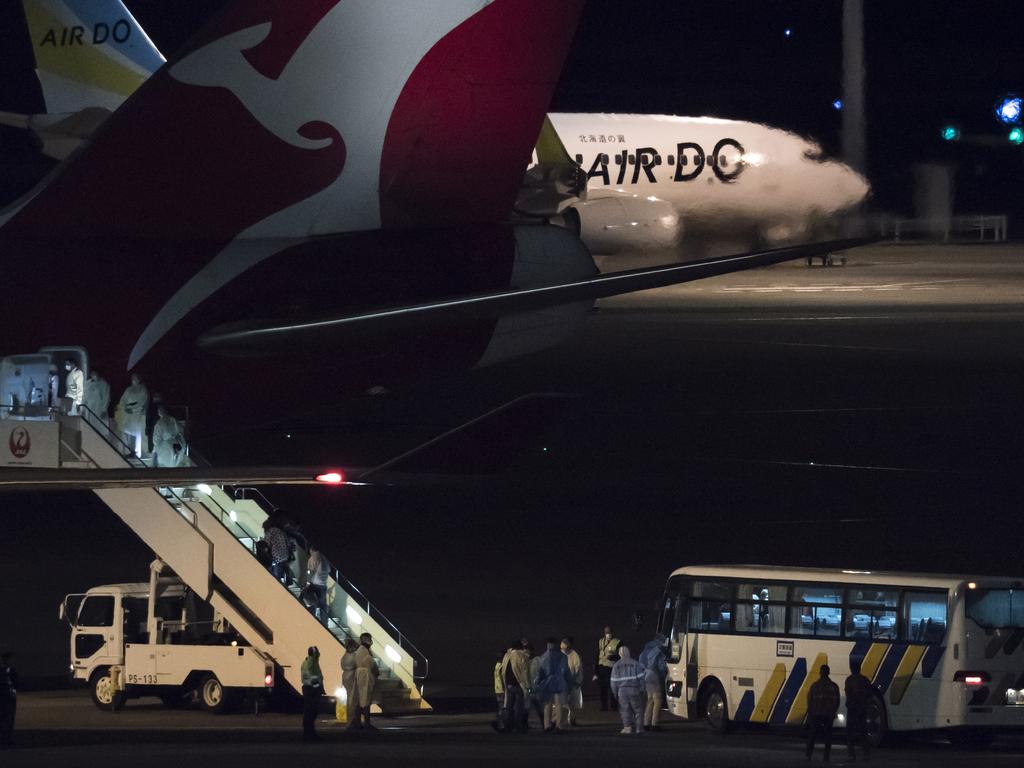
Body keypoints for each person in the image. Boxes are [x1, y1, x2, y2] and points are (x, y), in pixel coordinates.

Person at [535, 638, 572, 733]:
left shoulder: (543, 656)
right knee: (559, 704)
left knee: (547, 704)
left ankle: (547, 725)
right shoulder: (562, 656)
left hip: (547, 682)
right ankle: (559, 726)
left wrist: (538, 683)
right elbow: (565, 670)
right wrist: (569, 682)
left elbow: (540, 672)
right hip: (559, 681)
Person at [806, 664, 841, 762]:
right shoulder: (834, 687)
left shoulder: (814, 686)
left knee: (812, 735)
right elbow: (837, 701)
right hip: (828, 715)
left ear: (820, 673)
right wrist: (833, 712)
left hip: (816, 713)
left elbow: (809, 700)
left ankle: (809, 754)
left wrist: (811, 712)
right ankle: (826, 756)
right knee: (828, 736)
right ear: (829, 673)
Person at [610, 645, 645, 735]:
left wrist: (615, 693)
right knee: (638, 710)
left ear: (619, 654)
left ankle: (627, 727)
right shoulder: (635, 663)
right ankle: (639, 728)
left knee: (625, 710)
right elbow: (641, 678)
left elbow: (613, 682)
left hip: (622, 692)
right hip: (634, 690)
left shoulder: (616, 666)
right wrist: (642, 689)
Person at [499, 638, 532, 733]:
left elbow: (502, 671)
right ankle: (518, 726)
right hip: (519, 685)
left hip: (508, 685)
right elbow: (525, 672)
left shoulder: (506, 656)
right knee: (519, 707)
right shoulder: (521, 656)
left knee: (508, 707)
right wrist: (528, 686)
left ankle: (507, 726)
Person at [845, 660, 873, 761]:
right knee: (863, 732)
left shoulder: (849, 680)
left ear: (851, 669)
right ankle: (866, 754)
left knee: (850, 733)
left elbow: (848, 694)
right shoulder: (865, 680)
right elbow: (870, 694)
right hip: (862, 709)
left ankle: (851, 755)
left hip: (852, 709)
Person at [115, 373, 149, 456]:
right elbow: (123, 400)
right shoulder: (128, 389)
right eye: (133, 378)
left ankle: (136, 451)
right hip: (127, 414)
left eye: (136, 378)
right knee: (127, 431)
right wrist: (125, 408)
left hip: (137, 414)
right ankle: (128, 450)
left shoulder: (143, 389)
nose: (134, 380)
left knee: (136, 433)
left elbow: (142, 402)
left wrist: (133, 409)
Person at [639, 633, 668, 731]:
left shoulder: (645, 650)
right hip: (654, 674)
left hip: (645, 674)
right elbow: (661, 666)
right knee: (658, 700)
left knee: (650, 699)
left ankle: (646, 723)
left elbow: (641, 663)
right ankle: (655, 724)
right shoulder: (658, 650)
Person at [352, 632, 378, 730]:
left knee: (361, 700)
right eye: (369, 639)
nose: (371, 641)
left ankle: (359, 722)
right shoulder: (363, 650)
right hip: (365, 677)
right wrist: (375, 671)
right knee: (365, 700)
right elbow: (370, 663)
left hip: (361, 676)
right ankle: (366, 723)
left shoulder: (361, 650)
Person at [594, 625, 621, 710]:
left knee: (613, 688)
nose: (607, 634)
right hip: (602, 667)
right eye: (606, 632)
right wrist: (596, 669)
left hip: (612, 668)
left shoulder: (617, 642)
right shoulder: (601, 641)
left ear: (612, 632)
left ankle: (614, 706)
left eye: (609, 632)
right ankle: (604, 706)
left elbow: (621, 655)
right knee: (603, 688)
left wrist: (614, 657)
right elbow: (597, 654)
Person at [301, 646, 323, 742]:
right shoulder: (312, 662)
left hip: (308, 688)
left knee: (309, 713)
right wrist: (317, 685)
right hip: (312, 689)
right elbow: (312, 676)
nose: (319, 654)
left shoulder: (306, 662)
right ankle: (309, 734)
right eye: (317, 652)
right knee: (311, 712)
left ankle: (309, 733)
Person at [305, 545, 330, 625]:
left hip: (314, 583)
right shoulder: (324, 558)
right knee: (323, 604)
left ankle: (312, 618)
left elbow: (310, 572)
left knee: (312, 601)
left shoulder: (312, 558)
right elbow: (328, 570)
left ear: (312, 550)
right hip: (323, 584)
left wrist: (308, 583)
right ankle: (324, 622)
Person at [561, 637, 583, 726]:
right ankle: (556, 721)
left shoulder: (574, 655)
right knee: (560, 703)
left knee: (572, 703)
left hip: (572, 682)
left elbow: (579, 669)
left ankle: (572, 719)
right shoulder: (559, 654)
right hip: (562, 682)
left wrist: (578, 681)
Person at [262, 519, 291, 585]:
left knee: (275, 578)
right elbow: (288, 544)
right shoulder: (280, 531)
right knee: (282, 574)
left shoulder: (270, 531)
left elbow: (266, 544)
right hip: (285, 557)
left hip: (276, 558)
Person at [340, 638, 359, 727]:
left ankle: (350, 719)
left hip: (345, 677)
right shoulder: (354, 655)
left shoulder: (344, 656)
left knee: (350, 699)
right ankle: (353, 720)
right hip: (352, 677)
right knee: (353, 700)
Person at [0, 651, 16, 748]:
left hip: (7, 697)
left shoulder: (6, 671)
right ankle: (6, 738)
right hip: (6, 698)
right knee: (7, 718)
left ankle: (6, 738)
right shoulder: (8, 671)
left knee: (6, 719)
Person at [491, 653, 506, 732]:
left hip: (497, 690)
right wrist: (505, 688)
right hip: (501, 690)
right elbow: (502, 678)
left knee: (500, 706)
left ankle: (499, 723)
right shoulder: (501, 667)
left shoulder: (496, 666)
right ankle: (500, 724)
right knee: (502, 707)